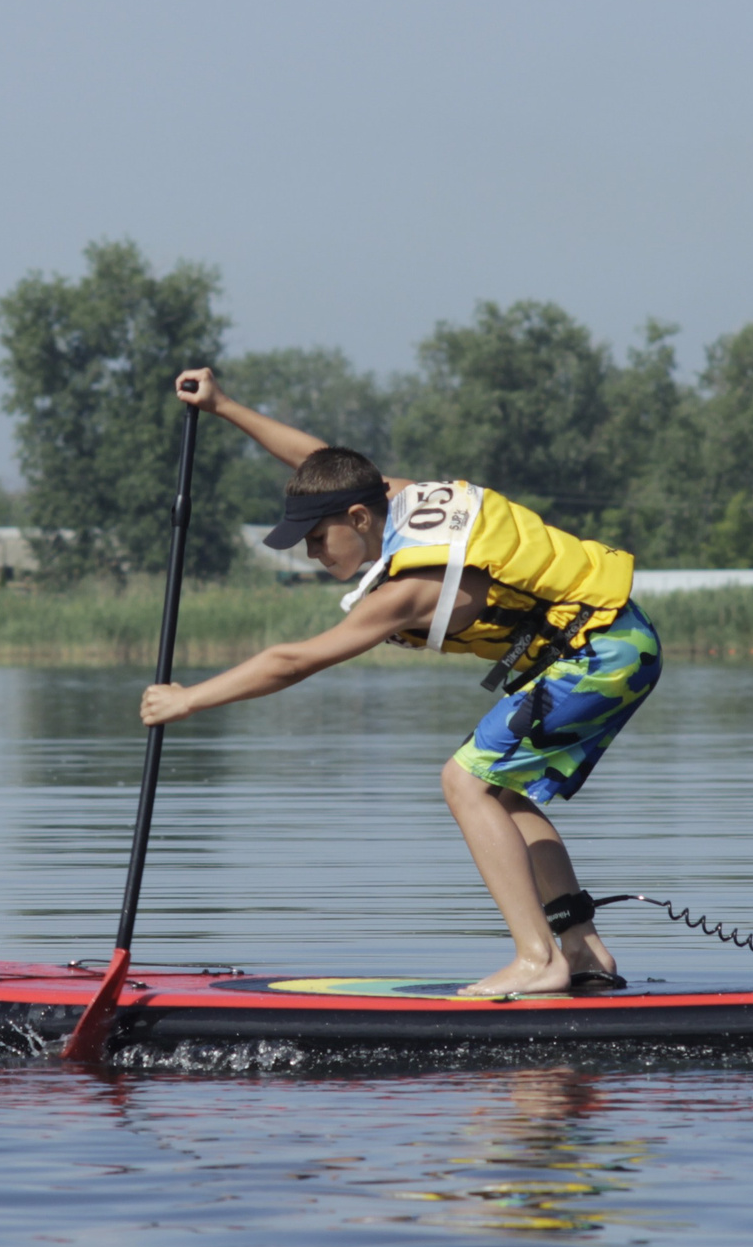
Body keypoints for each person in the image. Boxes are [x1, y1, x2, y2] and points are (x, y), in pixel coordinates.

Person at [139, 368, 663, 997]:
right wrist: (225, 407)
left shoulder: (410, 589)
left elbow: (294, 660)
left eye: (314, 539)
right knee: (499, 792)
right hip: (614, 641)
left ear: (358, 518)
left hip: (601, 650)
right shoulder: (398, 499)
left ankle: (537, 960)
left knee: (464, 781)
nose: (310, 555)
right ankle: (580, 950)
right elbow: (322, 462)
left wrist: (189, 698)